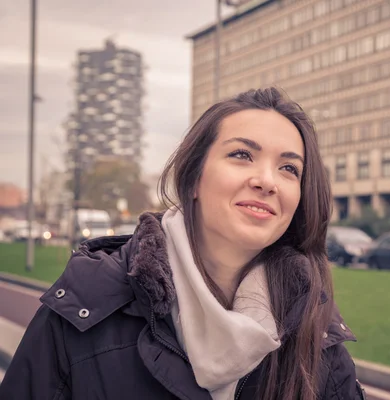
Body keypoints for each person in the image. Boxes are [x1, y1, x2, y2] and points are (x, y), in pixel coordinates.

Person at [0, 88, 366, 400]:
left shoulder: (315, 330)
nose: (267, 181)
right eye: (242, 155)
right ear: (193, 179)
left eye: (289, 168)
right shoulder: (86, 305)